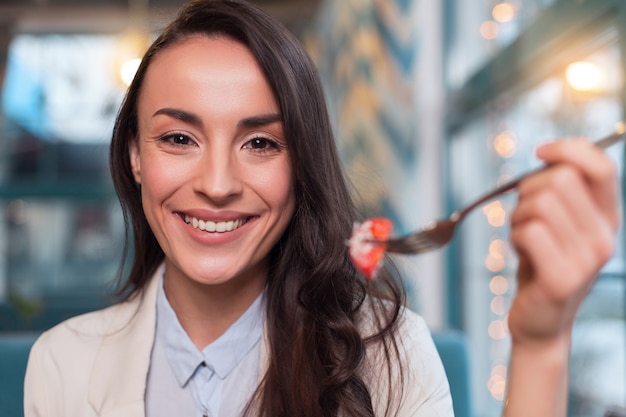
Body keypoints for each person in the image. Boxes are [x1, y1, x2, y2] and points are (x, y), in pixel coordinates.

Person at [23, 0, 621, 416]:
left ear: (301, 162)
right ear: (133, 157)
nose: (218, 183)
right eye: (179, 138)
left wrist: (541, 343)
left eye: (260, 143)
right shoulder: (62, 364)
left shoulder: (395, 355)